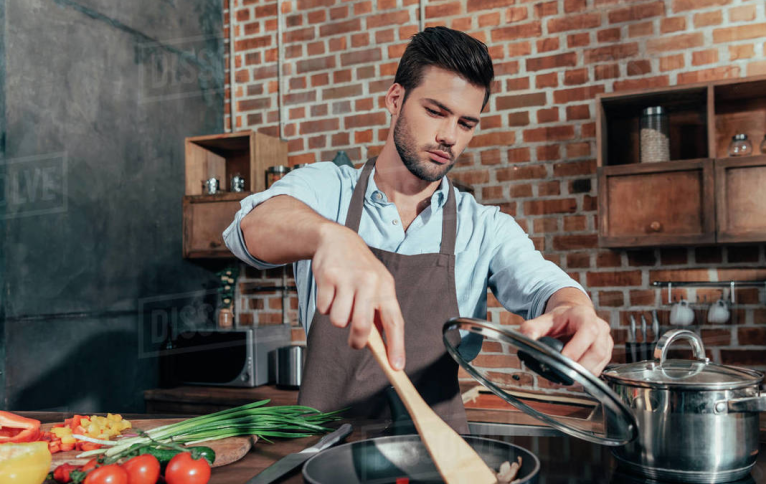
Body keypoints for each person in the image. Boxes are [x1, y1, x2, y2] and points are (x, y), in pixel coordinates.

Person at [223, 27, 612, 433]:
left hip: (438, 453)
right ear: (395, 99)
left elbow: (545, 286)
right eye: (436, 111)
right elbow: (250, 227)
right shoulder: (327, 190)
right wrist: (330, 237)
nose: (449, 136)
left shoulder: (483, 226)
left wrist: (575, 309)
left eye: (466, 123)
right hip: (327, 451)